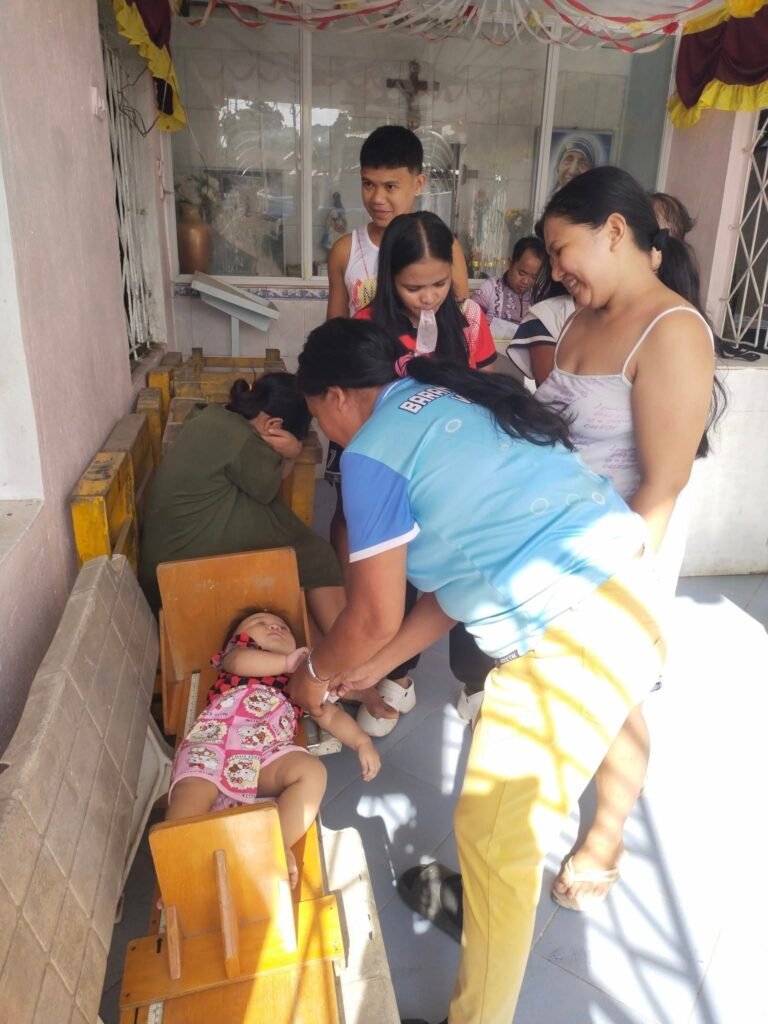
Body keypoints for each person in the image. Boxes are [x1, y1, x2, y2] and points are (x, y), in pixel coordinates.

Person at [288, 316, 667, 1024]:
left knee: (496, 838)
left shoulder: (371, 451)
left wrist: (312, 673)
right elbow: (456, 582)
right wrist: (377, 664)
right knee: (495, 824)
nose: (325, 433)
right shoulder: (446, 399)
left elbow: (369, 614)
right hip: (625, 594)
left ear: (334, 396)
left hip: (570, 635)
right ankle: (495, 911)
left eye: (316, 416)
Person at [354, 209, 497, 731]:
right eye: (413, 287)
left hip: (460, 476)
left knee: (467, 569)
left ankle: (477, 681)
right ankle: (398, 673)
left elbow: (488, 390)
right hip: (397, 475)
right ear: (389, 278)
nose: (429, 297)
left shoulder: (470, 321)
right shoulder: (367, 327)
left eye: (439, 283)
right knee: (400, 576)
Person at [166, 607, 380, 887]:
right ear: (237, 638)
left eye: (283, 627)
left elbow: (327, 714)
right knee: (190, 793)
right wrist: (286, 663)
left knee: (312, 771)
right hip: (212, 745)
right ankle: (179, 871)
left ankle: (276, 844)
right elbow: (240, 662)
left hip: (264, 756)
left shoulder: (300, 680)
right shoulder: (237, 655)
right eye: (259, 622)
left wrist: (361, 741)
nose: (274, 626)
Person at [138, 373, 345, 635]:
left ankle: (326, 635)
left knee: (293, 537)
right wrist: (293, 452)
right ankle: (344, 644)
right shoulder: (244, 440)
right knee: (317, 555)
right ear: (274, 425)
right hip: (181, 575)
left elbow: (265, 483)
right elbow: (269, 488)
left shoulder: (213, 416)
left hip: (166, 562)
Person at [472, 235, 546, 338]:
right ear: (510, 263)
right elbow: (471, 322)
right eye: (521, 273)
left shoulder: (539, 297)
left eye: (533, 277)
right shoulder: (490, 289)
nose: (525, 281)